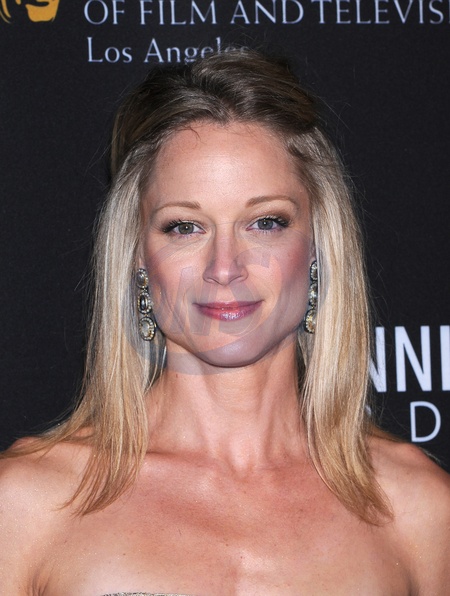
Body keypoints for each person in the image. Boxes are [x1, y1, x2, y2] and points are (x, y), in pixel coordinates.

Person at [0, 49, 449, 595]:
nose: (224, 267)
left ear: (319, 245)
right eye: (185, 227)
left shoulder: (419, 510)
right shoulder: (27, 505)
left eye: (265, 222)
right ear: (138, 256)